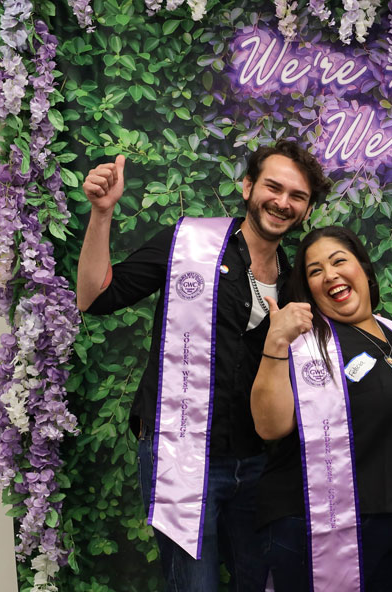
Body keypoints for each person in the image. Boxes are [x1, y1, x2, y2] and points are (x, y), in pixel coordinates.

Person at [76, 141, 329, 591]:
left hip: (253, 462)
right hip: (181, 452)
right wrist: (101, 214)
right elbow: (97, 297)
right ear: (248, 186)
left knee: (257, 583)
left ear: (306, 211)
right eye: (273, 187)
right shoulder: (189, 242)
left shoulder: (295, 282)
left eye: (298, 196)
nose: (283, 202)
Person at [251, 226, 392, 591]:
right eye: (315, 271)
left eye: (338, 261)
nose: (330, 275)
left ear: (363, 268)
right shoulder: (303, 341)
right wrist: (277, 341)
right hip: (309, 523)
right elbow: (270, 427)